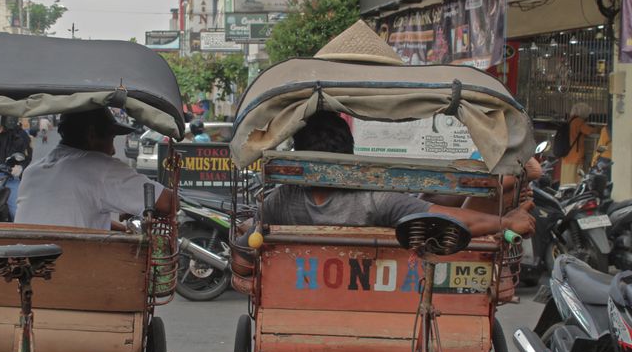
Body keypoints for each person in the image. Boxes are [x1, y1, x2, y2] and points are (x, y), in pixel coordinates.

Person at [253, 111, 535, 238]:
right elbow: (446, 221)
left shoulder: (281, 200)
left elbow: (244, 254)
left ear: (299, 154)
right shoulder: (376, 200)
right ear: (350, 153)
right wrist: (504, 222)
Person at [15, 107, 173, 230]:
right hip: (71, 266)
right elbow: (168, 202)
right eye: (111, 139)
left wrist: (121, 227)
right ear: (91, 134)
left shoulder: (32, 171)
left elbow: (62, 220)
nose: (113, 151)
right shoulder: (99, 166)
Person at [561, 103, 596, 185]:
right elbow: (589, 131)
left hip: (566, 154)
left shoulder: (570, 120)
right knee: (575, 180)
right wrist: (599, 129)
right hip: (575, 156)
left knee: (566, 179)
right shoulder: (578, 121)